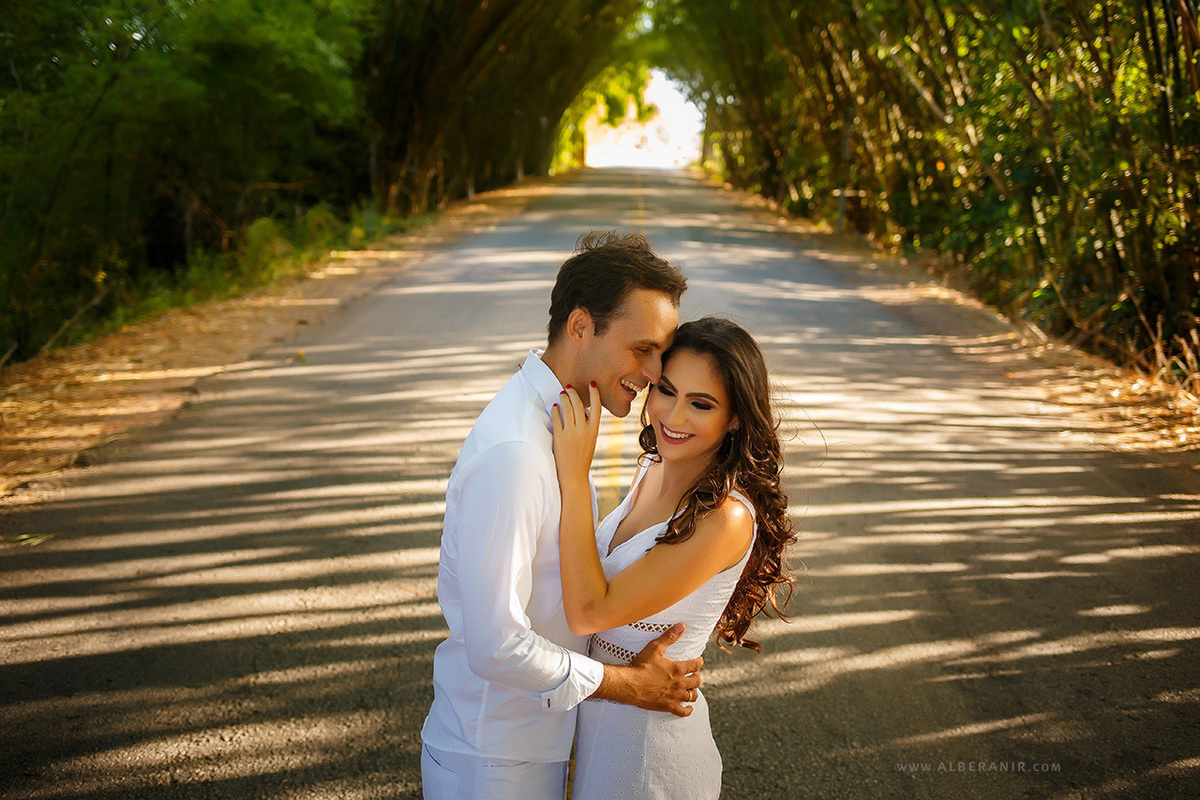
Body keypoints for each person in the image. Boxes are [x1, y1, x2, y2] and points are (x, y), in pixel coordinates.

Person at [420, 231, 700, 800]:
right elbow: (496, 643)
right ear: (580, 327)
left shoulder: (565, 425)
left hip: (524, 749)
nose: (653, 373)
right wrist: (628, 685)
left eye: (660, 354)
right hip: (492, 762)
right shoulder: (519, 456)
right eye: (641, 348)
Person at [551, 316, 797, 799]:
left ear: (734, 419)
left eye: (700, 404)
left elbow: (589, 612)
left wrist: (576, 477)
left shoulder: (725, 518)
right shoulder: (654, 462)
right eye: (666, 390)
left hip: (652, 758)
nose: (673, 416)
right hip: (601, 731)